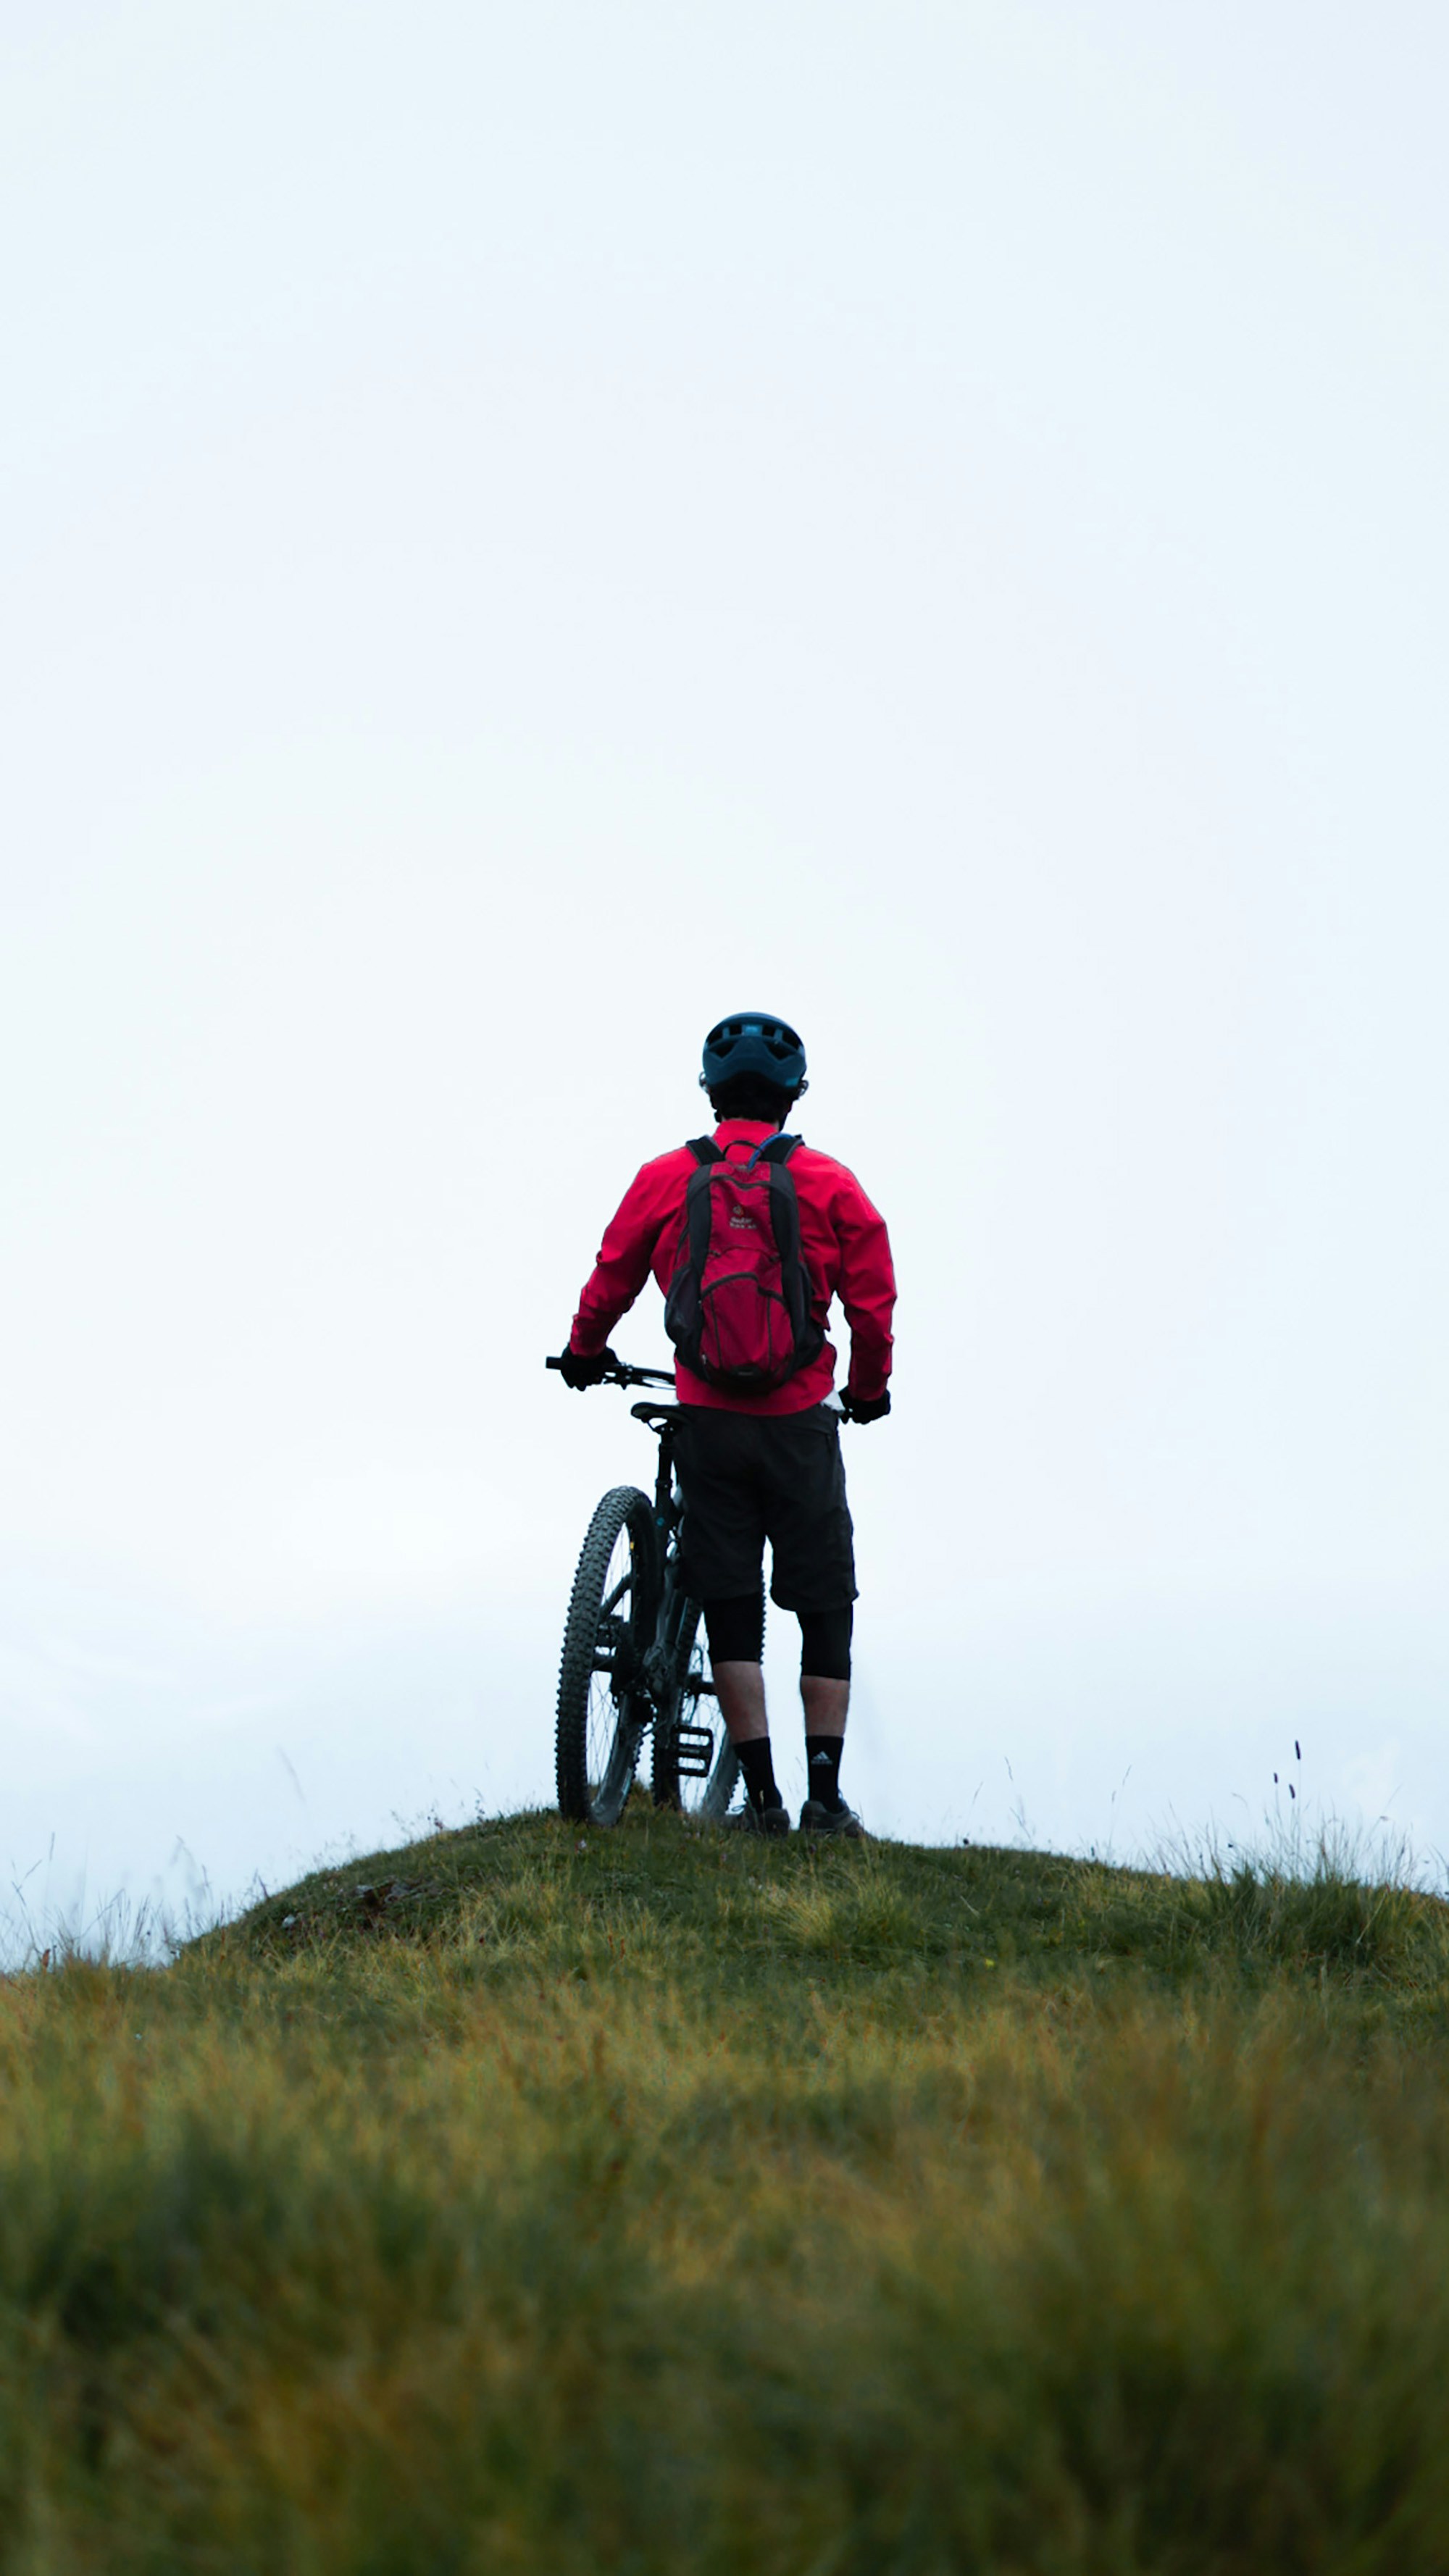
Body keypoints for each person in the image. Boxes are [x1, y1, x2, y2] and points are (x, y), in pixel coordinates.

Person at [553, 1011, 895, 1837]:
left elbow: (613, 1273)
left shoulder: (666, 1176)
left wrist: (581, 1350)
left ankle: (763, 1803)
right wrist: (866, 1387)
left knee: (731, 1606)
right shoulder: (828, 1183)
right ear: (792, 1096)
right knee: (822, 1606)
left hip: (708, 1421)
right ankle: (824, 1798)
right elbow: (872, 1301)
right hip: (799, 1423)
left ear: (709, 1092)